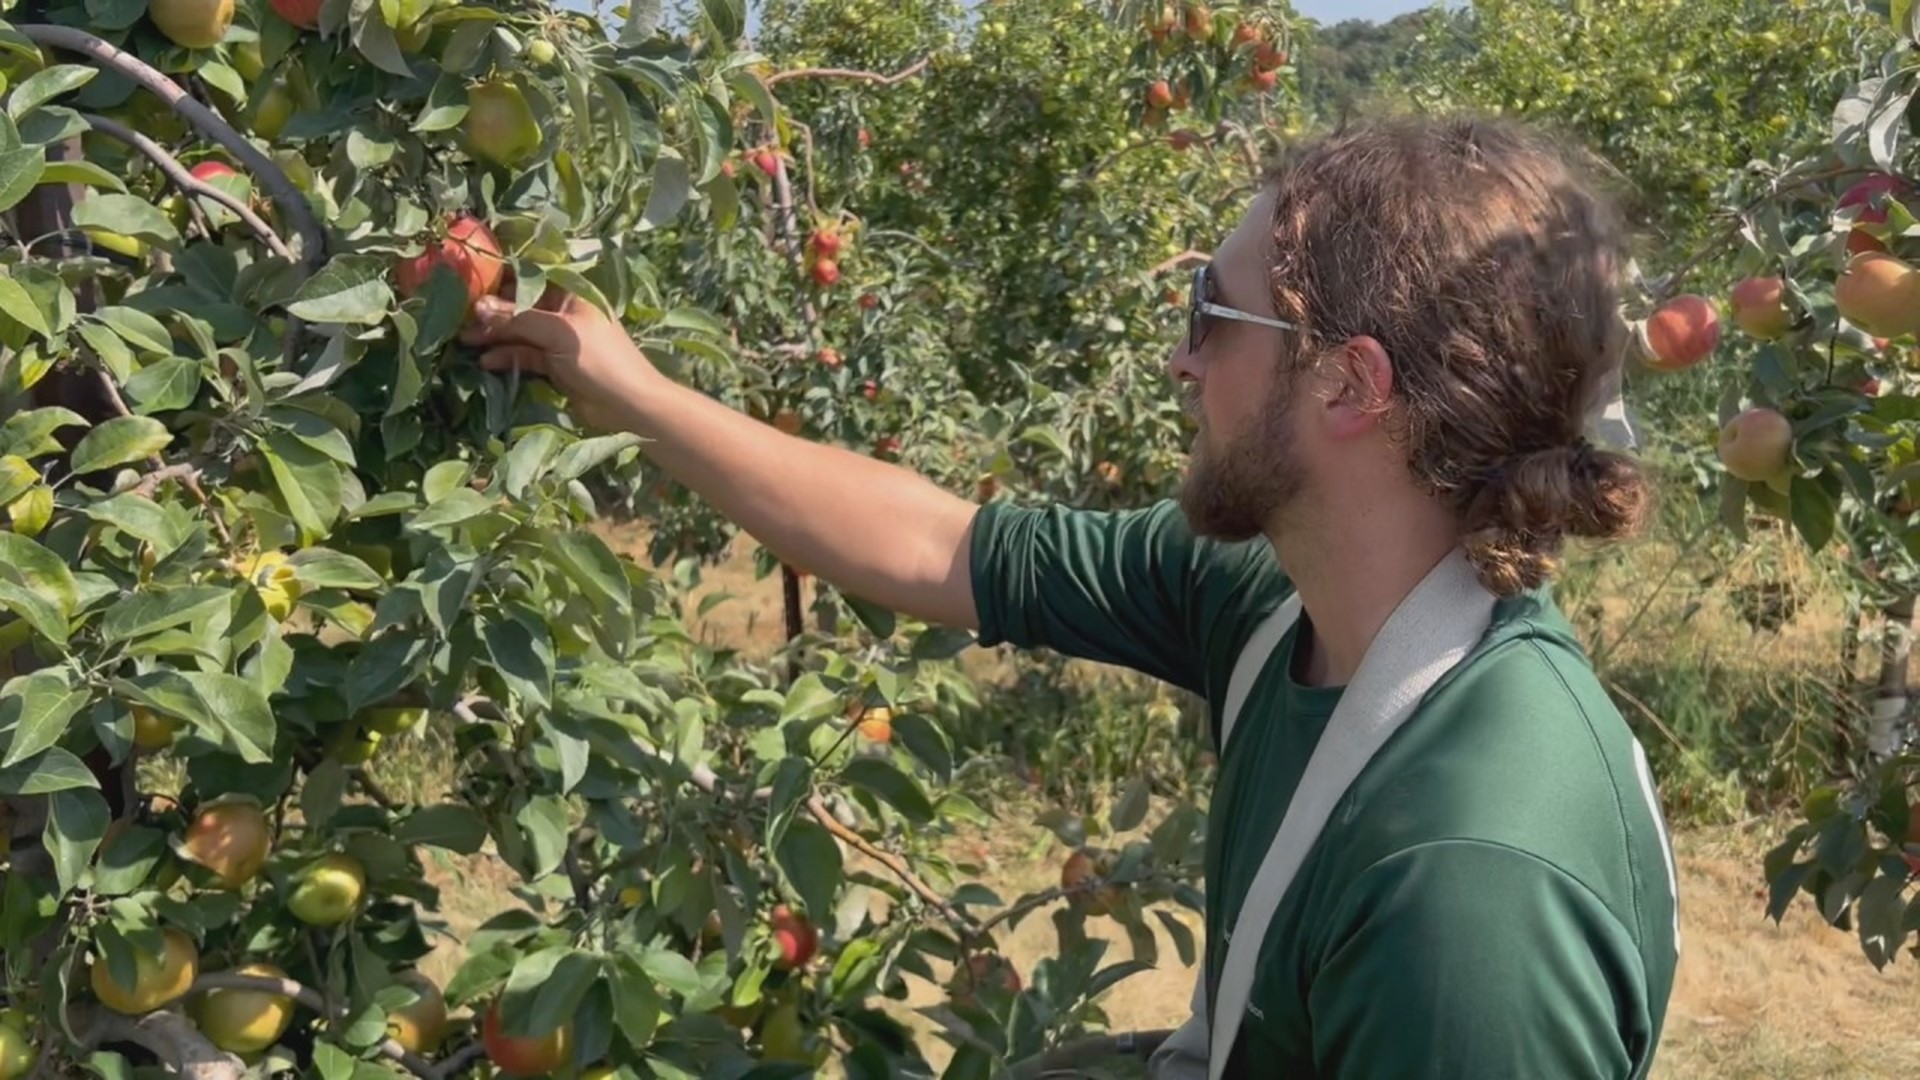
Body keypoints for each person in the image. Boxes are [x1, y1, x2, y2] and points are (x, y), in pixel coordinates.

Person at [461, 115, 1680, 1078]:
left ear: (1350, 386)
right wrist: (633, 394)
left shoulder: (1467, 882)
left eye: (1214, 310)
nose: (1181, 358)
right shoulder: (1282, 606)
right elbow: (947, 546)